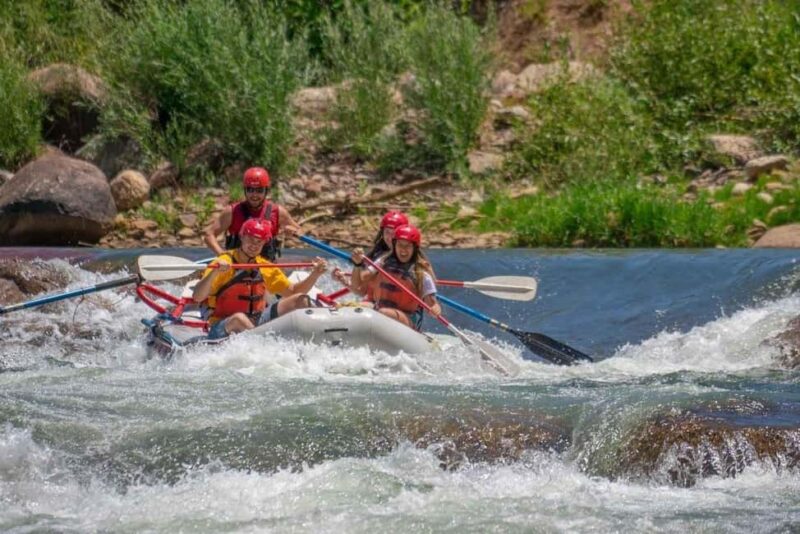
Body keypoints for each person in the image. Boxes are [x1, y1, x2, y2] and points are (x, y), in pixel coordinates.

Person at [193, 218, 328, 340]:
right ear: (242, 237)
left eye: (259, 242)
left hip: (256, 322)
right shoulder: (223, 262)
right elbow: (198, 296)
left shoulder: (264, 266)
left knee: (301, 299)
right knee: (239, 319)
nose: (254, 245)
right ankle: (265, 347)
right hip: (223, 326)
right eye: (250, 239)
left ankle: (320, 339)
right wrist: (213, 273)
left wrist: (315, 274)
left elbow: (292, 291)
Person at [349, 224, 441, 330]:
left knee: (384, 312)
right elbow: (357, 286)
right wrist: (357, 265)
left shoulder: (421, 273)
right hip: (380, 309)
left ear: (414, 248)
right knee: (356, 308)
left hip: (407, 318)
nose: (403, 249)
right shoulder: (383, 262)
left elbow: (433, 304)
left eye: (408, 246)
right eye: (400, 245)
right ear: (394, 244)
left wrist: (435, 309)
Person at [204, 167, 301, 261]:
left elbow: (299, 231)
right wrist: (222, 255)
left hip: (266, 270)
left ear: (266, 191)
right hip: (236, 268)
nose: (254, 195)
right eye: (250, 190)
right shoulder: (232, 211)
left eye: (259, 190)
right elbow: (209, 234)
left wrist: (293, 232)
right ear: (245, 190)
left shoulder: (278, 212)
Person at [331, 210, 409, 296]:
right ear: (382, 233)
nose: (390, 237)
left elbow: (360, 283)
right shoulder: (381, 255)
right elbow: (361, 291)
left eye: (394, 233)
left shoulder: (409, 257)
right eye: (387, 232)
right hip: (382, 304)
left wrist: (358, 265)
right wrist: (343, 280)